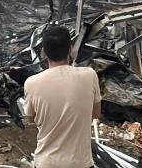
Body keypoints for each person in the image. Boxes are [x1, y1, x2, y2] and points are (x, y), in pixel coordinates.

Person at [23, 25, 101, 168]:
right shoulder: (89, 75)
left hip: (47, 163)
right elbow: (95, 114)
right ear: (70, 50)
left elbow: (31, 118)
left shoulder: (31, 83)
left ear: (44, 52)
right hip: (80, 163)